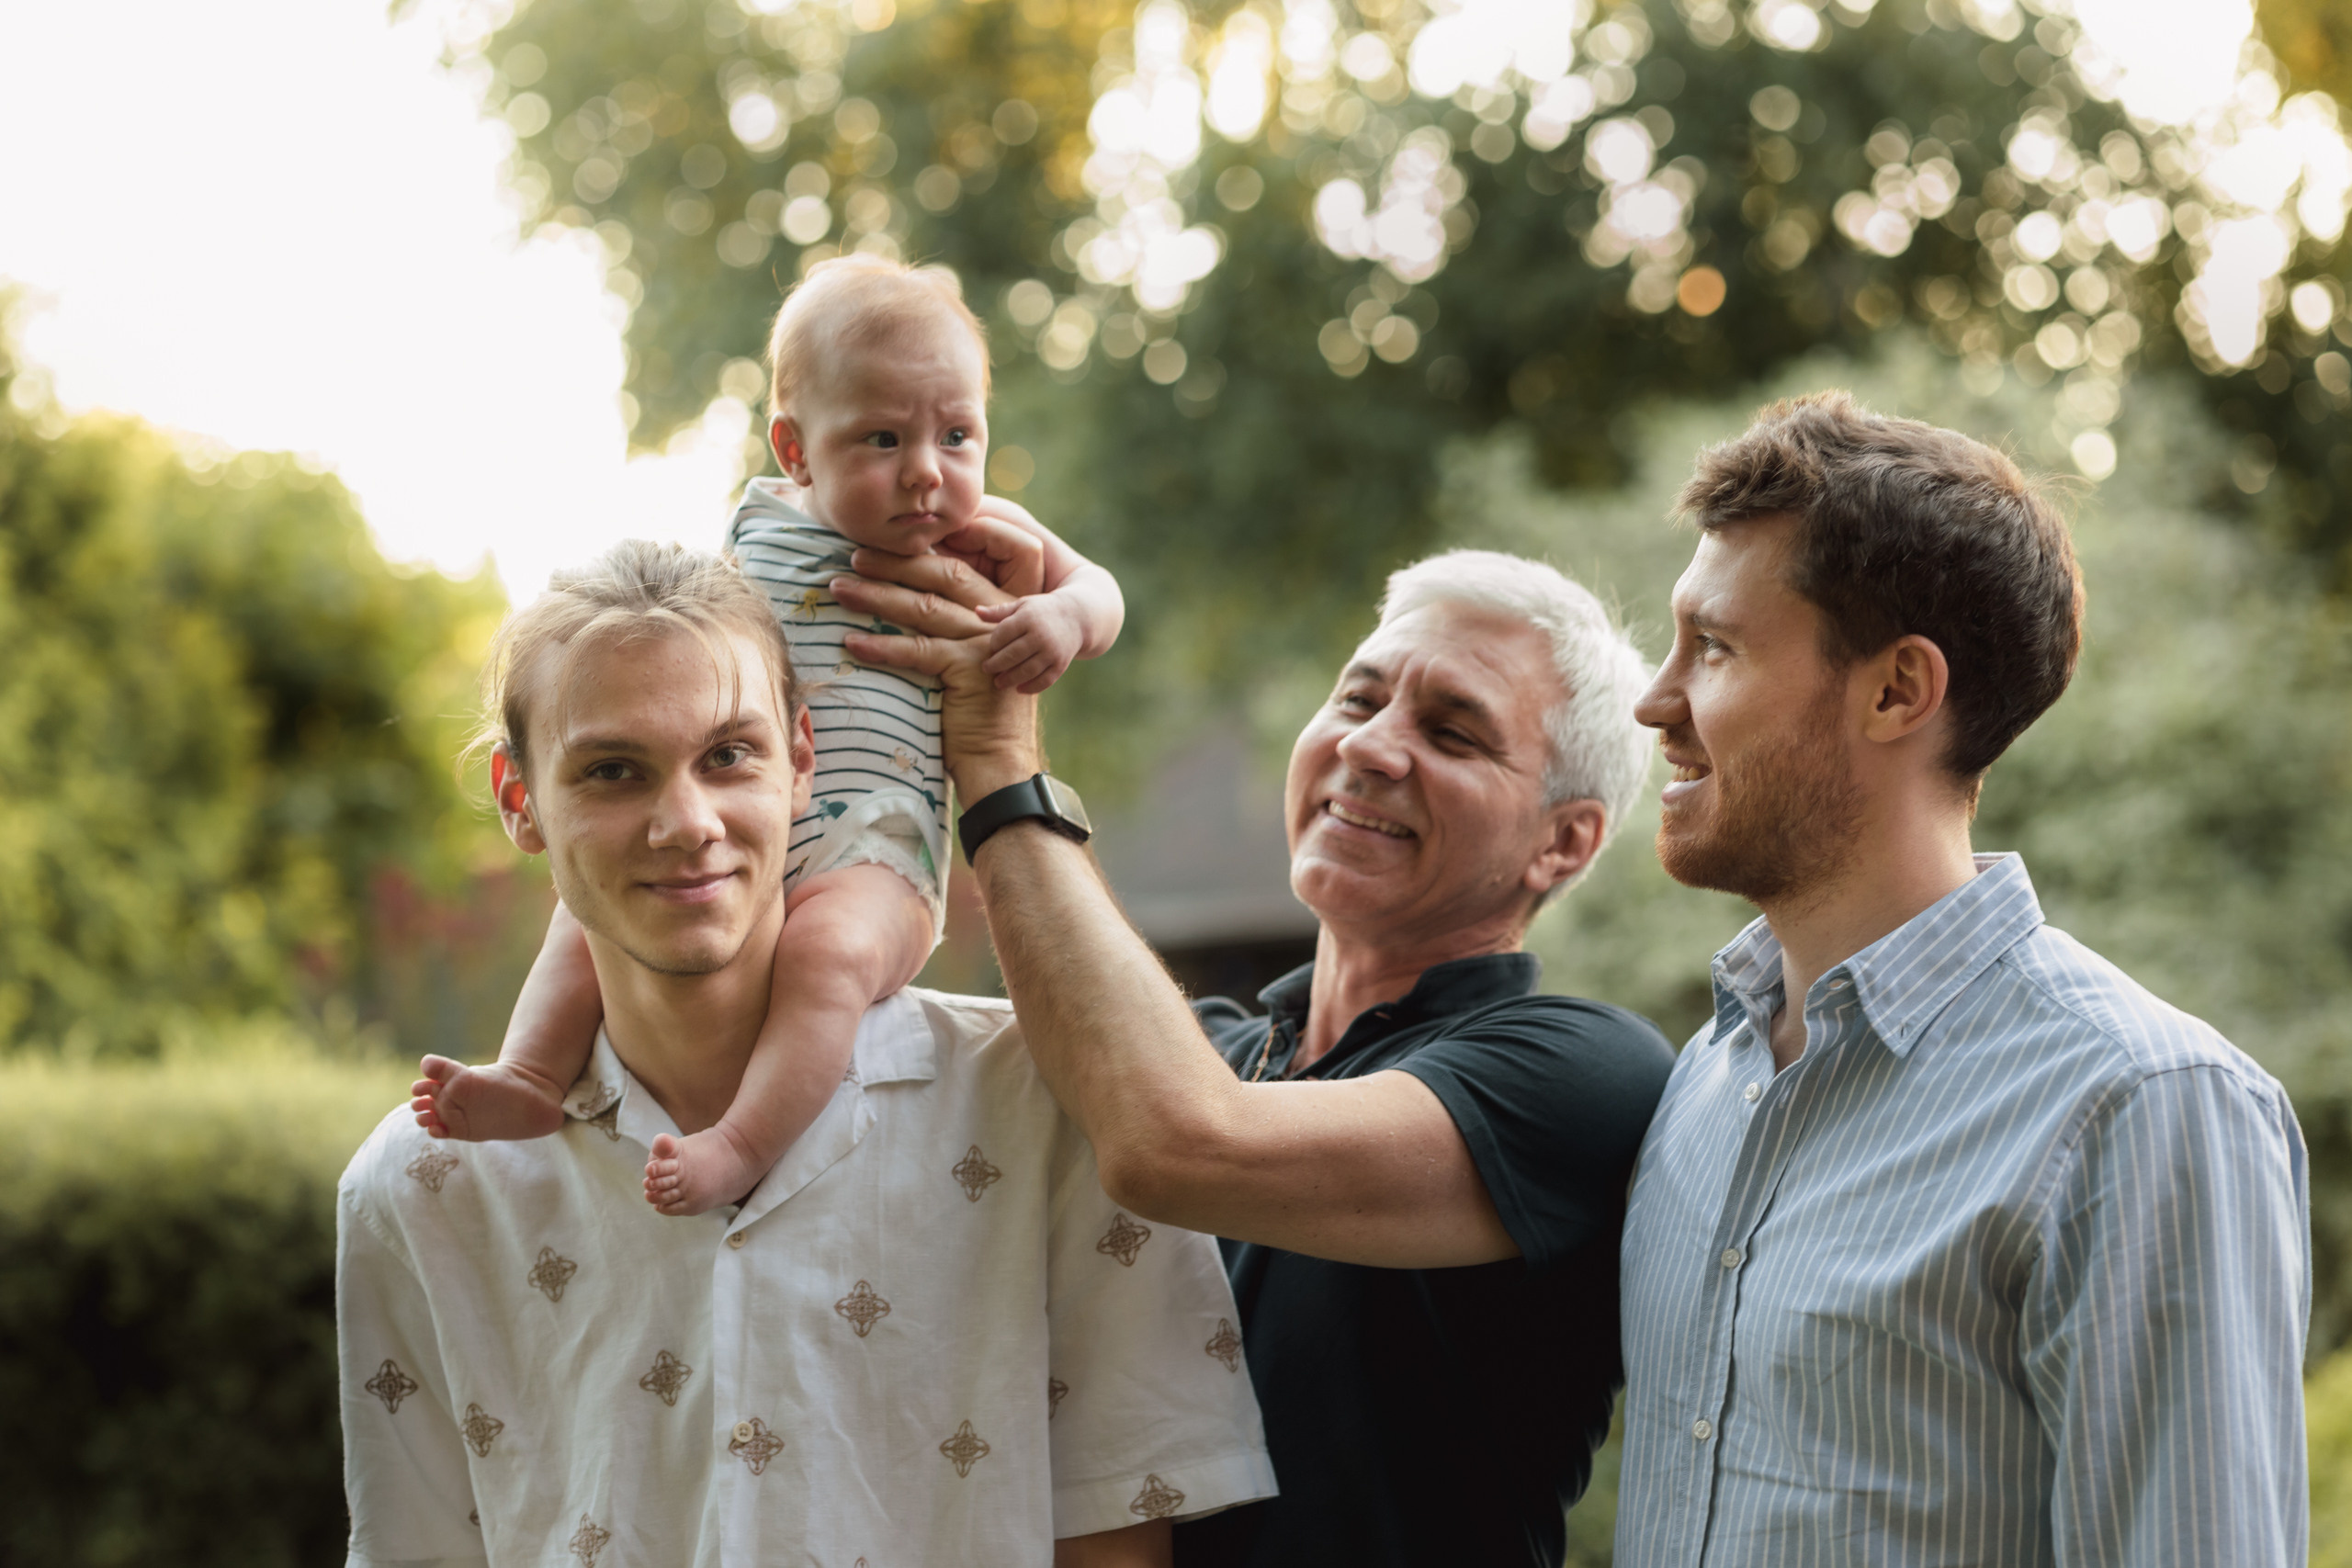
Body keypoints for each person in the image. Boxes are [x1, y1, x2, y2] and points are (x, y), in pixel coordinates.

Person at [337, 542, 1269, 1567]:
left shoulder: (1043, 1107)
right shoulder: (421, 1181)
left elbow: (1118, 1542)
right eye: (612, 770)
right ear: (520, 801)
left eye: (728, 755)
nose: (685, 824)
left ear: (803, 759)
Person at [831, 545, 1679, 1568]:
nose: (1371, 748)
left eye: (1452, 732)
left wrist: (1000, 762)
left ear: (1565, 843)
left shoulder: (1580, 1074)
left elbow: (1177, 1143)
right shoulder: (1215, 1047)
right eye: (1357, 699)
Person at [1612, 391, 2310, 1564]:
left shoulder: (2141, 1109)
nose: (1654, 700)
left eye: (1715, 648)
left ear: (1897, 691)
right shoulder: (1703, 1078)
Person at [412, 254, 1123, 1217]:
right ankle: (533, 1078)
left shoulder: (973, 534)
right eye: (881, 437)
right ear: (794, 450)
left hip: (878, 848)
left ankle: (741, 1145)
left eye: (957, 435)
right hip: (754, 828)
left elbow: (1100, 592)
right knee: (585, 911)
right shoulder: (753, 531)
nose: (926, 470)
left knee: (823, 959)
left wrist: (1062, 620)